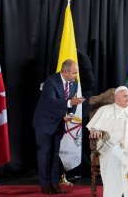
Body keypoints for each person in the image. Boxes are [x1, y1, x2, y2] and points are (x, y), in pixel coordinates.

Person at [87, 86, 128, 197]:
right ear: (116, 98)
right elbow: (94, 127)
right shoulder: (105, 110)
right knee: (113, 156)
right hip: (112, 145)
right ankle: (115, 193)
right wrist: (95, 131)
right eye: (125, 96)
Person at [32, 59, 85, 195]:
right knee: (44, 154)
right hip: (44, 122)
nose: (76, 75)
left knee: (55, 155)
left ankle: (55, 184)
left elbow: (73, 102)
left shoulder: (74, 82)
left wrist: (70, 114)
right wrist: (69, 103)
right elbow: (50, 102)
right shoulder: (51, 81)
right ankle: (45, 185)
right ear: (65, 72)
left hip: (59, 122)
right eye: (74, 73)